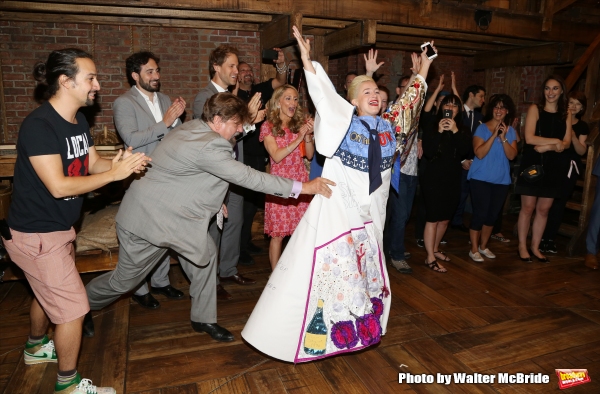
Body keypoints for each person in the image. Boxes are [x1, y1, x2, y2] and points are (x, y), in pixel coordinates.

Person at [242, 26, 433, 362]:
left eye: (378, 91)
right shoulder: (343, 124)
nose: (375, 95)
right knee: (337, 268)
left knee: (366, 267)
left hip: (374, 211)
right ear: (354, 101)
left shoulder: (390, 126)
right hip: (342, 211)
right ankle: (322, 329)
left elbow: (410, 102)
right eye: (367, 91)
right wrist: (308, 61)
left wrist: (425, 67)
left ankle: (364, 323)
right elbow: (327, 99)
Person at [85, 93, 334, 343]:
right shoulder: (210, 144)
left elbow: (189, 173)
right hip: (148, 221)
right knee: (124, 282)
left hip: (177, 217)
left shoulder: (195, 126)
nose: (239, 130)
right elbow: (249, 177)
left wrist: (215, 203)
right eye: (236, 124)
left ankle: (203, 318)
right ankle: (81, 307)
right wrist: (304, 188)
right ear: (217, 120)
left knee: (207, 255)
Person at [1, 48, 148, 394]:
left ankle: (36, 347)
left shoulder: (78, 121)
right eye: (91, 78)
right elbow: (59, 185)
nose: (97, 84)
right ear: (65, 82)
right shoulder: (39, 126)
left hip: (58, 230)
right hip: (36, 235)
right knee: (72, 309)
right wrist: (115, 177)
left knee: (46, 291)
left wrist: (117, 166)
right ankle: (67, 385)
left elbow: (92, 164)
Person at [113, 51, 186, 309]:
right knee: (142, 235)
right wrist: (165, 122)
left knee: (163, 231)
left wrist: (177, 123)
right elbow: (131, 139)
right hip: (141, 175)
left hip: (168, 176)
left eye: (157, 71)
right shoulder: (124, 103)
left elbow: (175, 136)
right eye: (150, 72)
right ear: (135, 76)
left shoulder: (165, 98)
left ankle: (161, 281)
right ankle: (139, 288)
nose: (156, 76)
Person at [192, 44, 261, 300]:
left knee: (235, 223)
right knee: (213, 230)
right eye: (231, 66)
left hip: (233, 172)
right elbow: (211, 139)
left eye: (237, 65)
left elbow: (236, 136)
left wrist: (248, 122)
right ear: (216, 67)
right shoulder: (205, 97)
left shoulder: (233, 99)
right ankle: (209, 281)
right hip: (214, 175)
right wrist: (248, 120)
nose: (236, 70)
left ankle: (228, 270)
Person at [236, 53, 288, 265]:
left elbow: (281, 81)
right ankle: (239, 249)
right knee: (243, 205)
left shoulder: (262, 90)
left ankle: (245, 242)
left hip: (260, 157)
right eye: (243, 70)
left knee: (252, 204)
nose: (247, 73)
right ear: (236, 75)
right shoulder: (234, 96)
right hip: (242, 155)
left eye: (250, 70)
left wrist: (282, 65)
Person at [515, 75, 572, 263]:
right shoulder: (535, 109)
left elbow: (567, 143)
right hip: (533, 164)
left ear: (561, 91)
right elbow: (530, 138)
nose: (551, 92)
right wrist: (555, 142)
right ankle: (522, 246)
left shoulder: (566, 113)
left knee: (544, 210)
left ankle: (535, 247)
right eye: (547, 88)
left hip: (555, 166)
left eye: (555, 88)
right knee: (528, 208)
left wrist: (548, 146)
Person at [260, 85, 315, 270]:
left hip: (300, 181)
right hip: (279, 184)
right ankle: (275, 277)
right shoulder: (268, 127)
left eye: (295, 99)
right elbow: (276, 156)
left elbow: (309, 155)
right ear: (278, 102)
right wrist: (298, 138)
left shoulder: (297, 125)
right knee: (278, 234)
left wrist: (307, 135)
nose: (293, 103)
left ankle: (297, 272)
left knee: (301, 231)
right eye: (288, 98)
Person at [420, 94, 472, 272]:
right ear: (441, 108)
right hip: (434, 178)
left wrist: (455, 131)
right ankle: (429, 257)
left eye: (454, 106)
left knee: (445, 219)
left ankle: (434, 249)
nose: (450, 108)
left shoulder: (463, 129)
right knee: (433, 218)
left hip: (452, 178)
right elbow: (429, 152)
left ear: (458, 110)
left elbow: (465, 150)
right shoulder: (432, 126)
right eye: (447, 105)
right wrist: (440, 132)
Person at [467, 94, 518, 262]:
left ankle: (483, 246)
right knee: (480, 214)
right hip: (480, 178)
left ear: (507, 111)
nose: (498, 110)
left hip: (501, 180)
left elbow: (512, 156)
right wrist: (494, 134)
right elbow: (479, 153)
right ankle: (473, 249)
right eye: (496, 107)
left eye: (502, 107)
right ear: (491, 109)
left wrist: (503, 138)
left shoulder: (511, 132)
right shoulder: (481, 128)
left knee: (492, 216)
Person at [540, 92, 589, 253]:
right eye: (571, 102)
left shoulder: (582, 126)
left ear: (582, 108)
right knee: (546, 203)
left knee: (559, 205)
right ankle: (540, 237)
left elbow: (582, 151)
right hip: (553, 164)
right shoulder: (559, 119)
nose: (574, 106)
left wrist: (573, 136)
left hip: (569, 168)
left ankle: (549, 239)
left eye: (578, 104)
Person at [450, 84, 486, 232]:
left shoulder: (480, 117)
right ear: (471, 95)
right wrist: (461, 160)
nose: (483, 100)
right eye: (481, 96)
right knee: (455, 193)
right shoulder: (457, 113)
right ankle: (449, 220)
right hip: (455, 161)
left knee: (465, 194)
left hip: (473, 163)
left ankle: (457, 221)